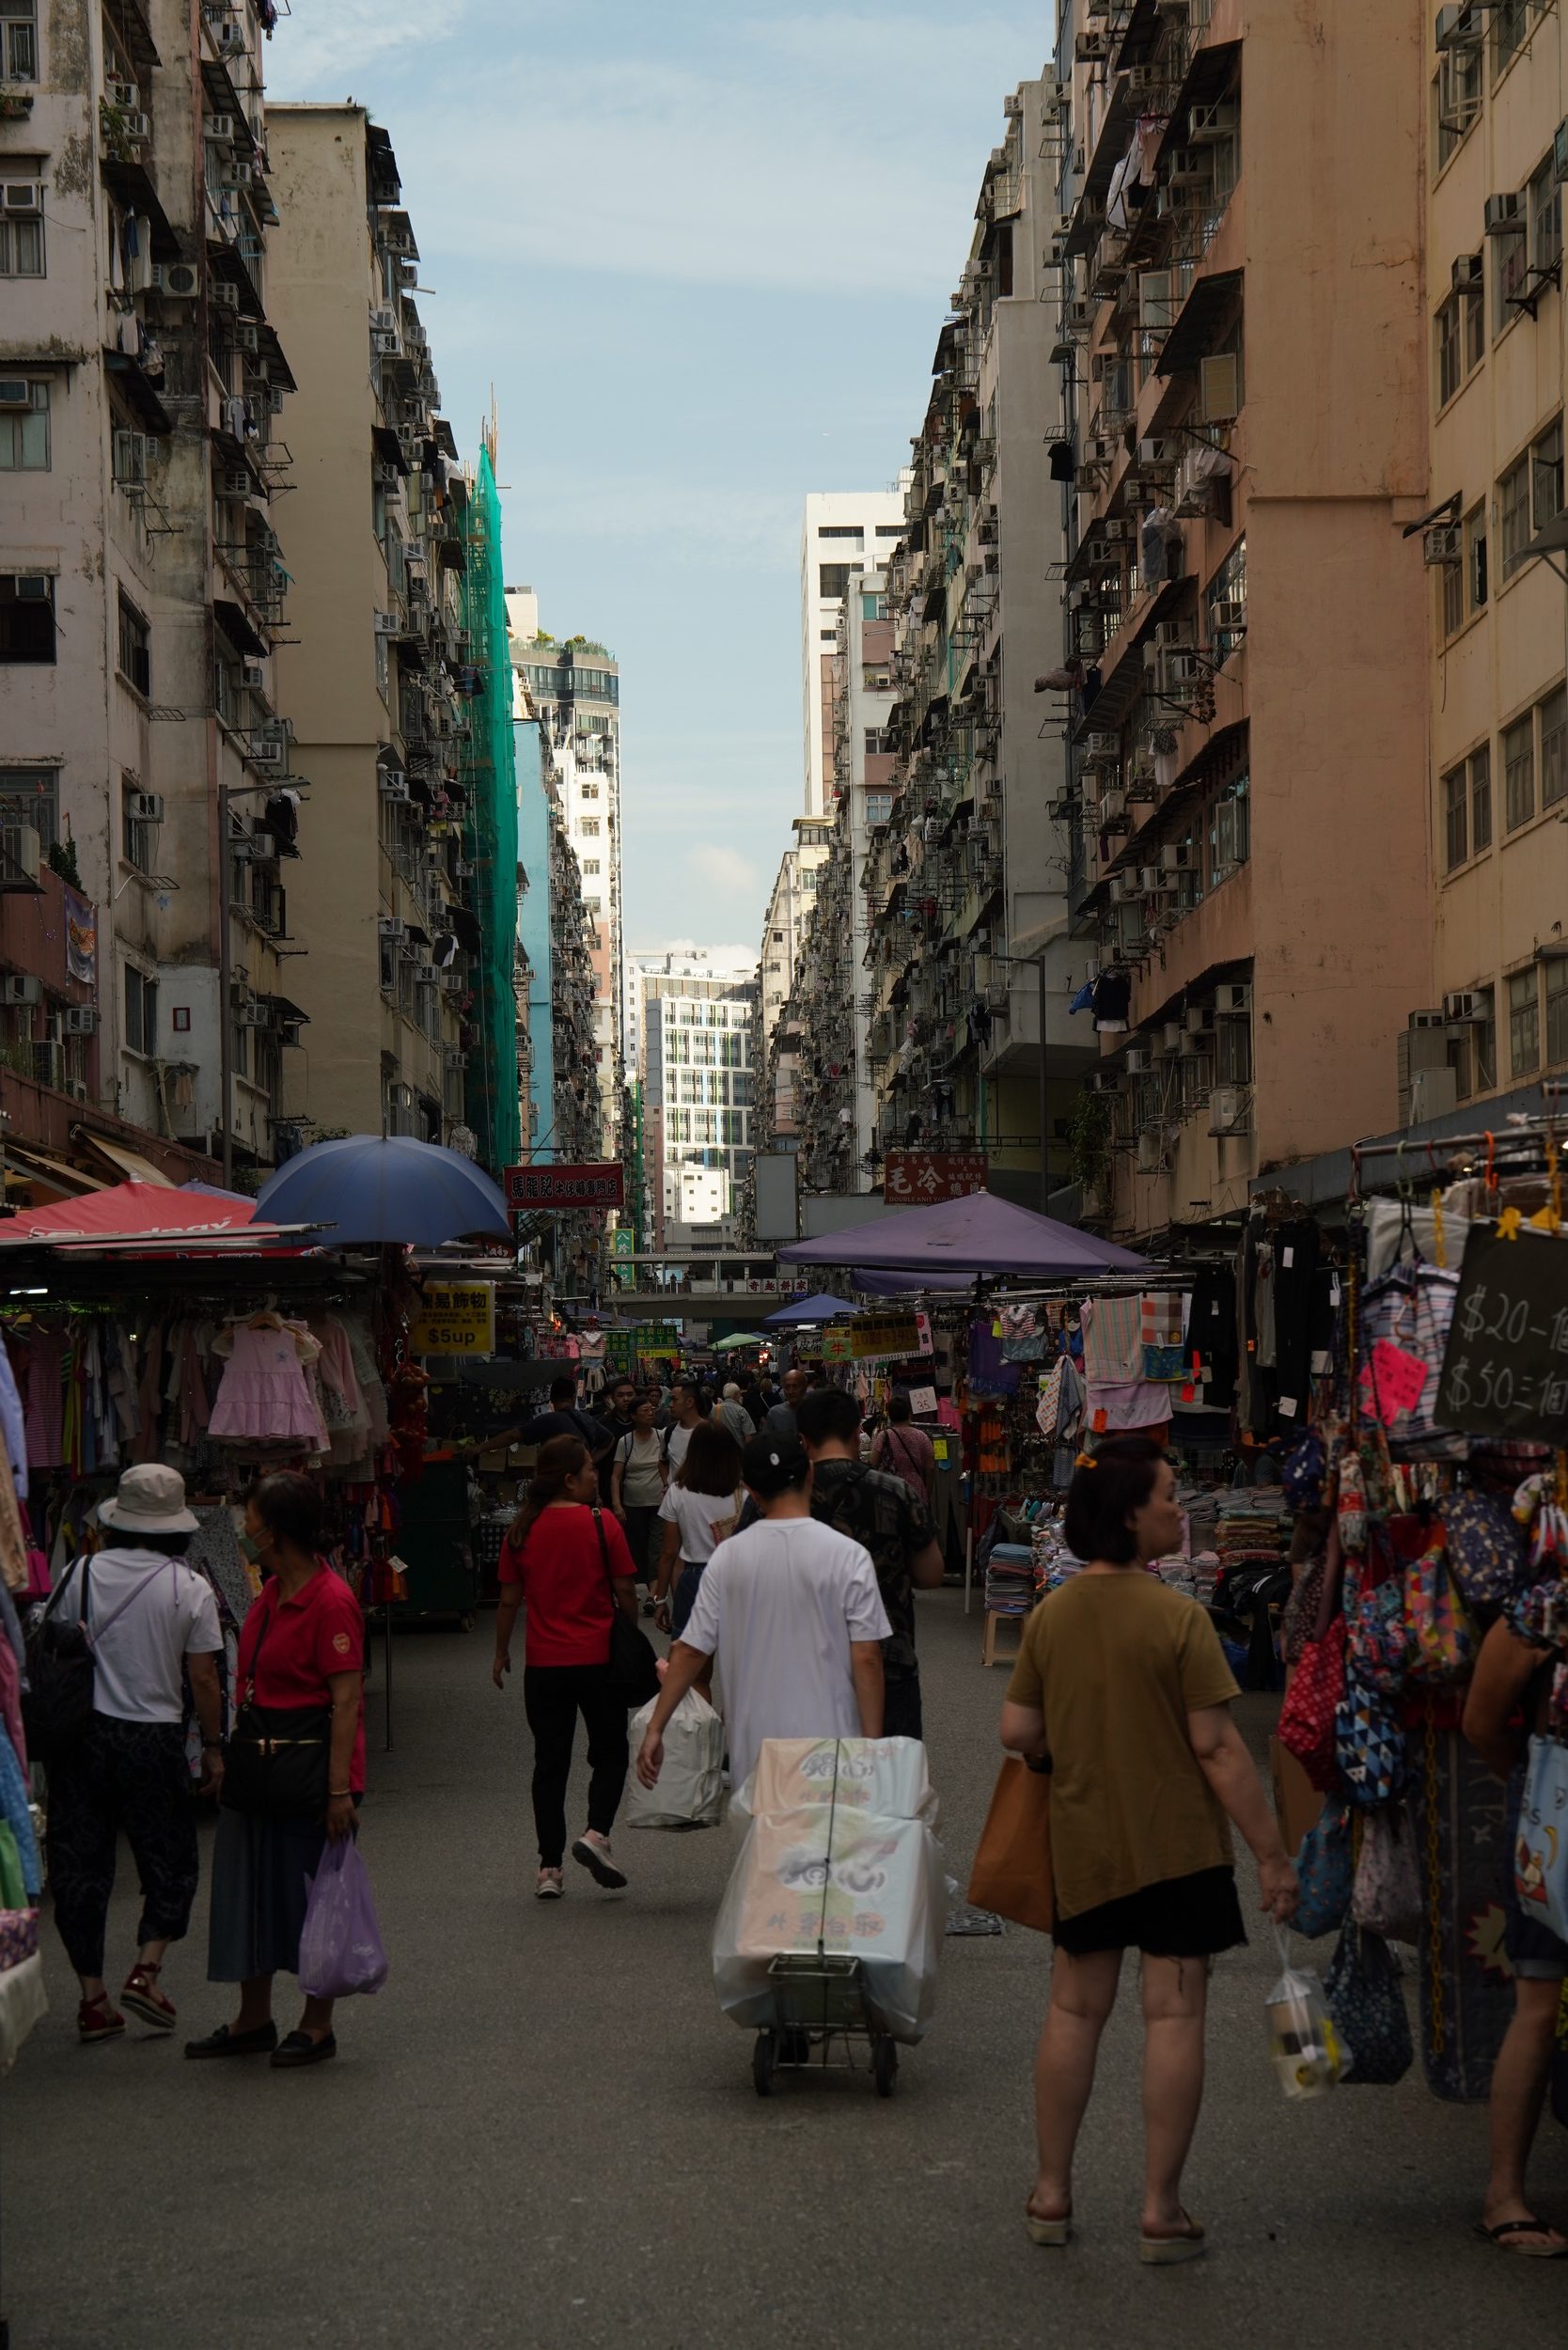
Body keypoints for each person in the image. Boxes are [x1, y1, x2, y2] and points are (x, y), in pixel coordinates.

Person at [998, 1436, 1298, 2263]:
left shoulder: (1054, 1615)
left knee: (1073, 2012)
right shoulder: (1179, 1618)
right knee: (1173, 2015)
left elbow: (1017, 1729)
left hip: (1086, 1844)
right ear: (1131, 1515)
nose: (1178, 1508)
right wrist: (1273, 1855)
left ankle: (1051, 2194)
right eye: (1168, 1495)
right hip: (1179, 1851)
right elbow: (1220, 1749)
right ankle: (1161, 2209)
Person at [187, 1473, 366, 2069]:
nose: (244, 1530)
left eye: (252, 1521)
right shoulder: (269, 1595)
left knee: (313, 1896)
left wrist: (338, 1790)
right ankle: (253, 2018)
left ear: (278, 1531)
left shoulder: (331, 1600)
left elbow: (346, 1701)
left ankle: (317, 2024)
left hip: (311, 1770)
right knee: (252, 1891)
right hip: (260, 1761)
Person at [43, 1465, 224, 2044]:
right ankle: (146, 1970)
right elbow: (204, 1680)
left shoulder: (79, 1572)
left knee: (79, 1863)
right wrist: (214, 1748)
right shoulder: (189, 1587)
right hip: (152, 1738)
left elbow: (51, 1646)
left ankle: (92, 1998)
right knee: (170, 1858)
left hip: (82, 1736)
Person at [636, 1434, 889, 1801]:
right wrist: (873, 1745)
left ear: (751, 1491)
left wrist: (656, 1727)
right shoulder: (848, 1556)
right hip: (833, 1740)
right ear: (809, 1476)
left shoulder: (727, 1559)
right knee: (827, 1832)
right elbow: (867, 1657)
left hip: (755, 1748)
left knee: (767, 1832)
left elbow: (690, 1650)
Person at [1462, 1608, 1568, 2258]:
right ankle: (1504, 2195)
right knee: (1539, 2002)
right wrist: (1536, 1786)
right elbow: (1480, 1722)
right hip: (1556, 1825)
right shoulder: (1543, 1610)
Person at [491, 1435, 639, 1900]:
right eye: (590, 1469)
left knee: (550, 1764)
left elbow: (509, 1601)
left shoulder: (521, 1530)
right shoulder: (602, 1523)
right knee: (610, 1751)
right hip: (598, 1661)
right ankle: (596, 1833)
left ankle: (549, 1868)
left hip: (545, 1664)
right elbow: (626, 1590)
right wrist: (628, 1633)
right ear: (570, 1479)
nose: (597, 1475)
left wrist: (501, 1652)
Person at [796, 1386, 943, 1741]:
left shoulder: (782, 1496)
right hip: (889, 1655)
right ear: (856, 1431)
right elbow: (931, 1573)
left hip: (802, 1664)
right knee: (888, 1770)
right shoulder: (895, 1491)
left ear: (803, 1439)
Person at [652, 1418, 745, 1639]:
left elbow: (669, 1552)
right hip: (738, 1578)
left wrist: (661, 1598)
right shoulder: (744, 1493)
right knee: (739, 1653)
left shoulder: (677, 1491)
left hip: (695, 1576)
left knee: (692, 1654)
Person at [610, 1390, 666, 1610]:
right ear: (634, 1416)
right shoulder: (626, 1442)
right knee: (637, 1549)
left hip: (659, 1504)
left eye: (652, 1410)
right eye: (645, 1410)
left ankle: (653, 1595)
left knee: (656, 1549)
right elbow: (616, 1476)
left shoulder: (662, 1436)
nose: (650, 1413)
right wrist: (617, 1504)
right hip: (633, 1505)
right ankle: (639, 1589)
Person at [871, 1392, 938, 1510]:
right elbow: (930, 1468)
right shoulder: (922, 1437)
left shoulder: (884, 1436)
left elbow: (874, 1463)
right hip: (915, 1490)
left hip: (890, 1489)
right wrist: (927, 1493)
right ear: (909, 1414)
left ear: (890, 1415)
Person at [597, 1377, 639, 1505]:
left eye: (630, 1395)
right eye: (620, 1395)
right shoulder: (602, 1425)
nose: (626, 1399)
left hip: (638, 1489)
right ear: (613, 1398)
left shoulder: (643, 1422)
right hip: (608, 1488)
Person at [660, 1374, 709, 1479]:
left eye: (674, 1400)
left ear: (689, 1402)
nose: (670, 1404)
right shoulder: (668, 1432)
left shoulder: (711, 1432)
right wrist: (666, 1484)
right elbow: (663, 1462)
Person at [761, 1366, 810, 1443]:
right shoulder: (775, 1413)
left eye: (795, 1386)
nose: (791, 1391)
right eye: (787, 1387)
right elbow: (766, 1442)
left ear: (804, 1388)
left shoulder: (814, 1411)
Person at [715, 1381, 756, 1448]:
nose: (741, 1396)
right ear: (735, 1395)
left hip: (720, 1449)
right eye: (739, 1394)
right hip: (738, 1449)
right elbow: (749, 1436)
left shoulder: (715, 1409)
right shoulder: (741, 1410)